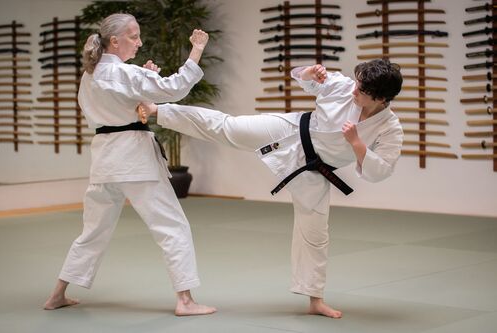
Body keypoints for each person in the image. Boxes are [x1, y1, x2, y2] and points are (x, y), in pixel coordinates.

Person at [137, 58, 404, 318]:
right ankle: (158, 111)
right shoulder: (343, 86)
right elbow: (300, 76)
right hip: (292, 131)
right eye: (356, 84)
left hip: (317, 170)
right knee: (229, 126)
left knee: (314, 234)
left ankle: (315, 301)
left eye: (362, 91)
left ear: (381, 99)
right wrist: (310, 72)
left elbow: (380, 171)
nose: (354, 91)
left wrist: (357, 143)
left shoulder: (390, 128)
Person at [43, 13, 216, 316]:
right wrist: (197, 49)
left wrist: (143, 80)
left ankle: (57, 294)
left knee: (93, 231)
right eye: (133, 36)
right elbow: (174, 88)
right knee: (172, 226)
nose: (139, 42)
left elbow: (119, 102)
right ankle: (185, 300)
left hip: (104, 159)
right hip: (134, 158)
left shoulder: (91, 75)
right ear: (115, 40)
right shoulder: (126, 74)